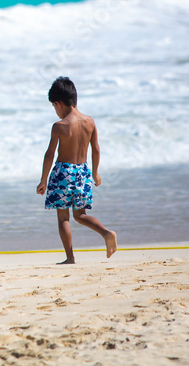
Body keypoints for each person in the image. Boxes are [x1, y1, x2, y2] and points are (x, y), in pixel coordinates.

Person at [36, 76, 117, 264]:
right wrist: (95, 173)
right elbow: (96, 149)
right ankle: (106, 233)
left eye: (54, 106)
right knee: (80, 215)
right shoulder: (90, 122)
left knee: (63, 218)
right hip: (82, 172)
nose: (56, 111)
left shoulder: (59, 126)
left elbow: (50, 154)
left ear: (58, 103)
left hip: (62, 173)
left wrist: (43, 180)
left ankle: (70, 257)